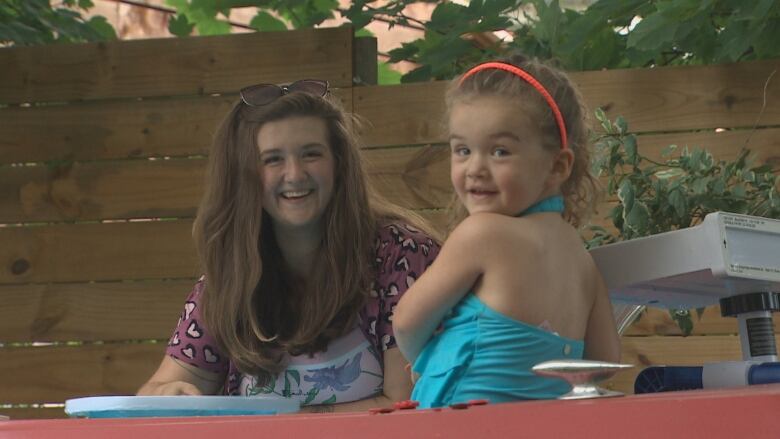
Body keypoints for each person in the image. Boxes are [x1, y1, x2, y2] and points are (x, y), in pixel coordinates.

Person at [137, 79, 440, 413]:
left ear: (339, 164)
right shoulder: (226, 281)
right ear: (244, 175)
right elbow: (155, 392)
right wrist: (169, 393)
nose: (295, 174)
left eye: (311, 154)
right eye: (273, 159)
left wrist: (283, 424)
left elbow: (406, 405)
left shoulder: (402, 254)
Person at [393, 56, 621, 408]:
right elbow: (603, 362)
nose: (475, 169)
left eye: (500, 151)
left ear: (557, 166)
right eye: (463, 150)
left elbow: (407, 322)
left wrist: (427, 362)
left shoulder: (483, 234)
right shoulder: (582, 261)